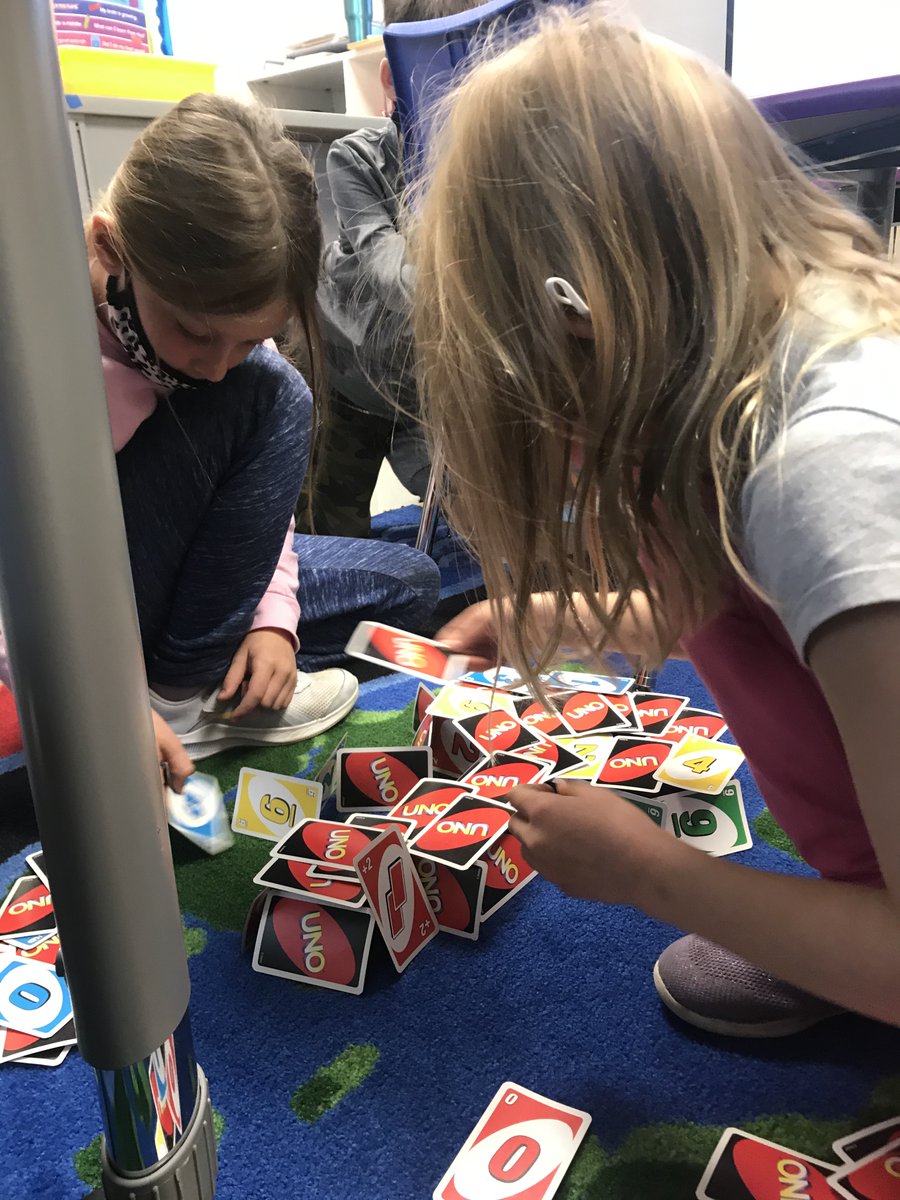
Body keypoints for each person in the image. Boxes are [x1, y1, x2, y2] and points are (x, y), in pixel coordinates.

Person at [412, 7, 900, 1037]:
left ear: (584, 319)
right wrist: (573, 613)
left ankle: (848, 937)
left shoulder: (829, 471)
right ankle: (836, 925)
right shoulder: (771, 364)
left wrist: (651, 872)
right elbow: (759, 617)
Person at [0, 94, 440, 789]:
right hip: (68, 605)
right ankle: (179, 700)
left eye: (252, 337)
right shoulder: (32, 341)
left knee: (409, 583)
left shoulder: (224, 358)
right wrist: (98, 703)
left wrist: (272, 620)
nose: (215, 364)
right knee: (275, 392)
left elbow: (251, 515)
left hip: (177, 590)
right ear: (107, 246)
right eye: (197, 333)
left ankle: (209, 687)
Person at [313, 0, 483, 537]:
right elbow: (391, 274)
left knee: (465, 509)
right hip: (345, 372)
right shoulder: (356, 159)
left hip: (419, 390)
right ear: (394, 80)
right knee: (332, 525)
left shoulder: (491, 177)